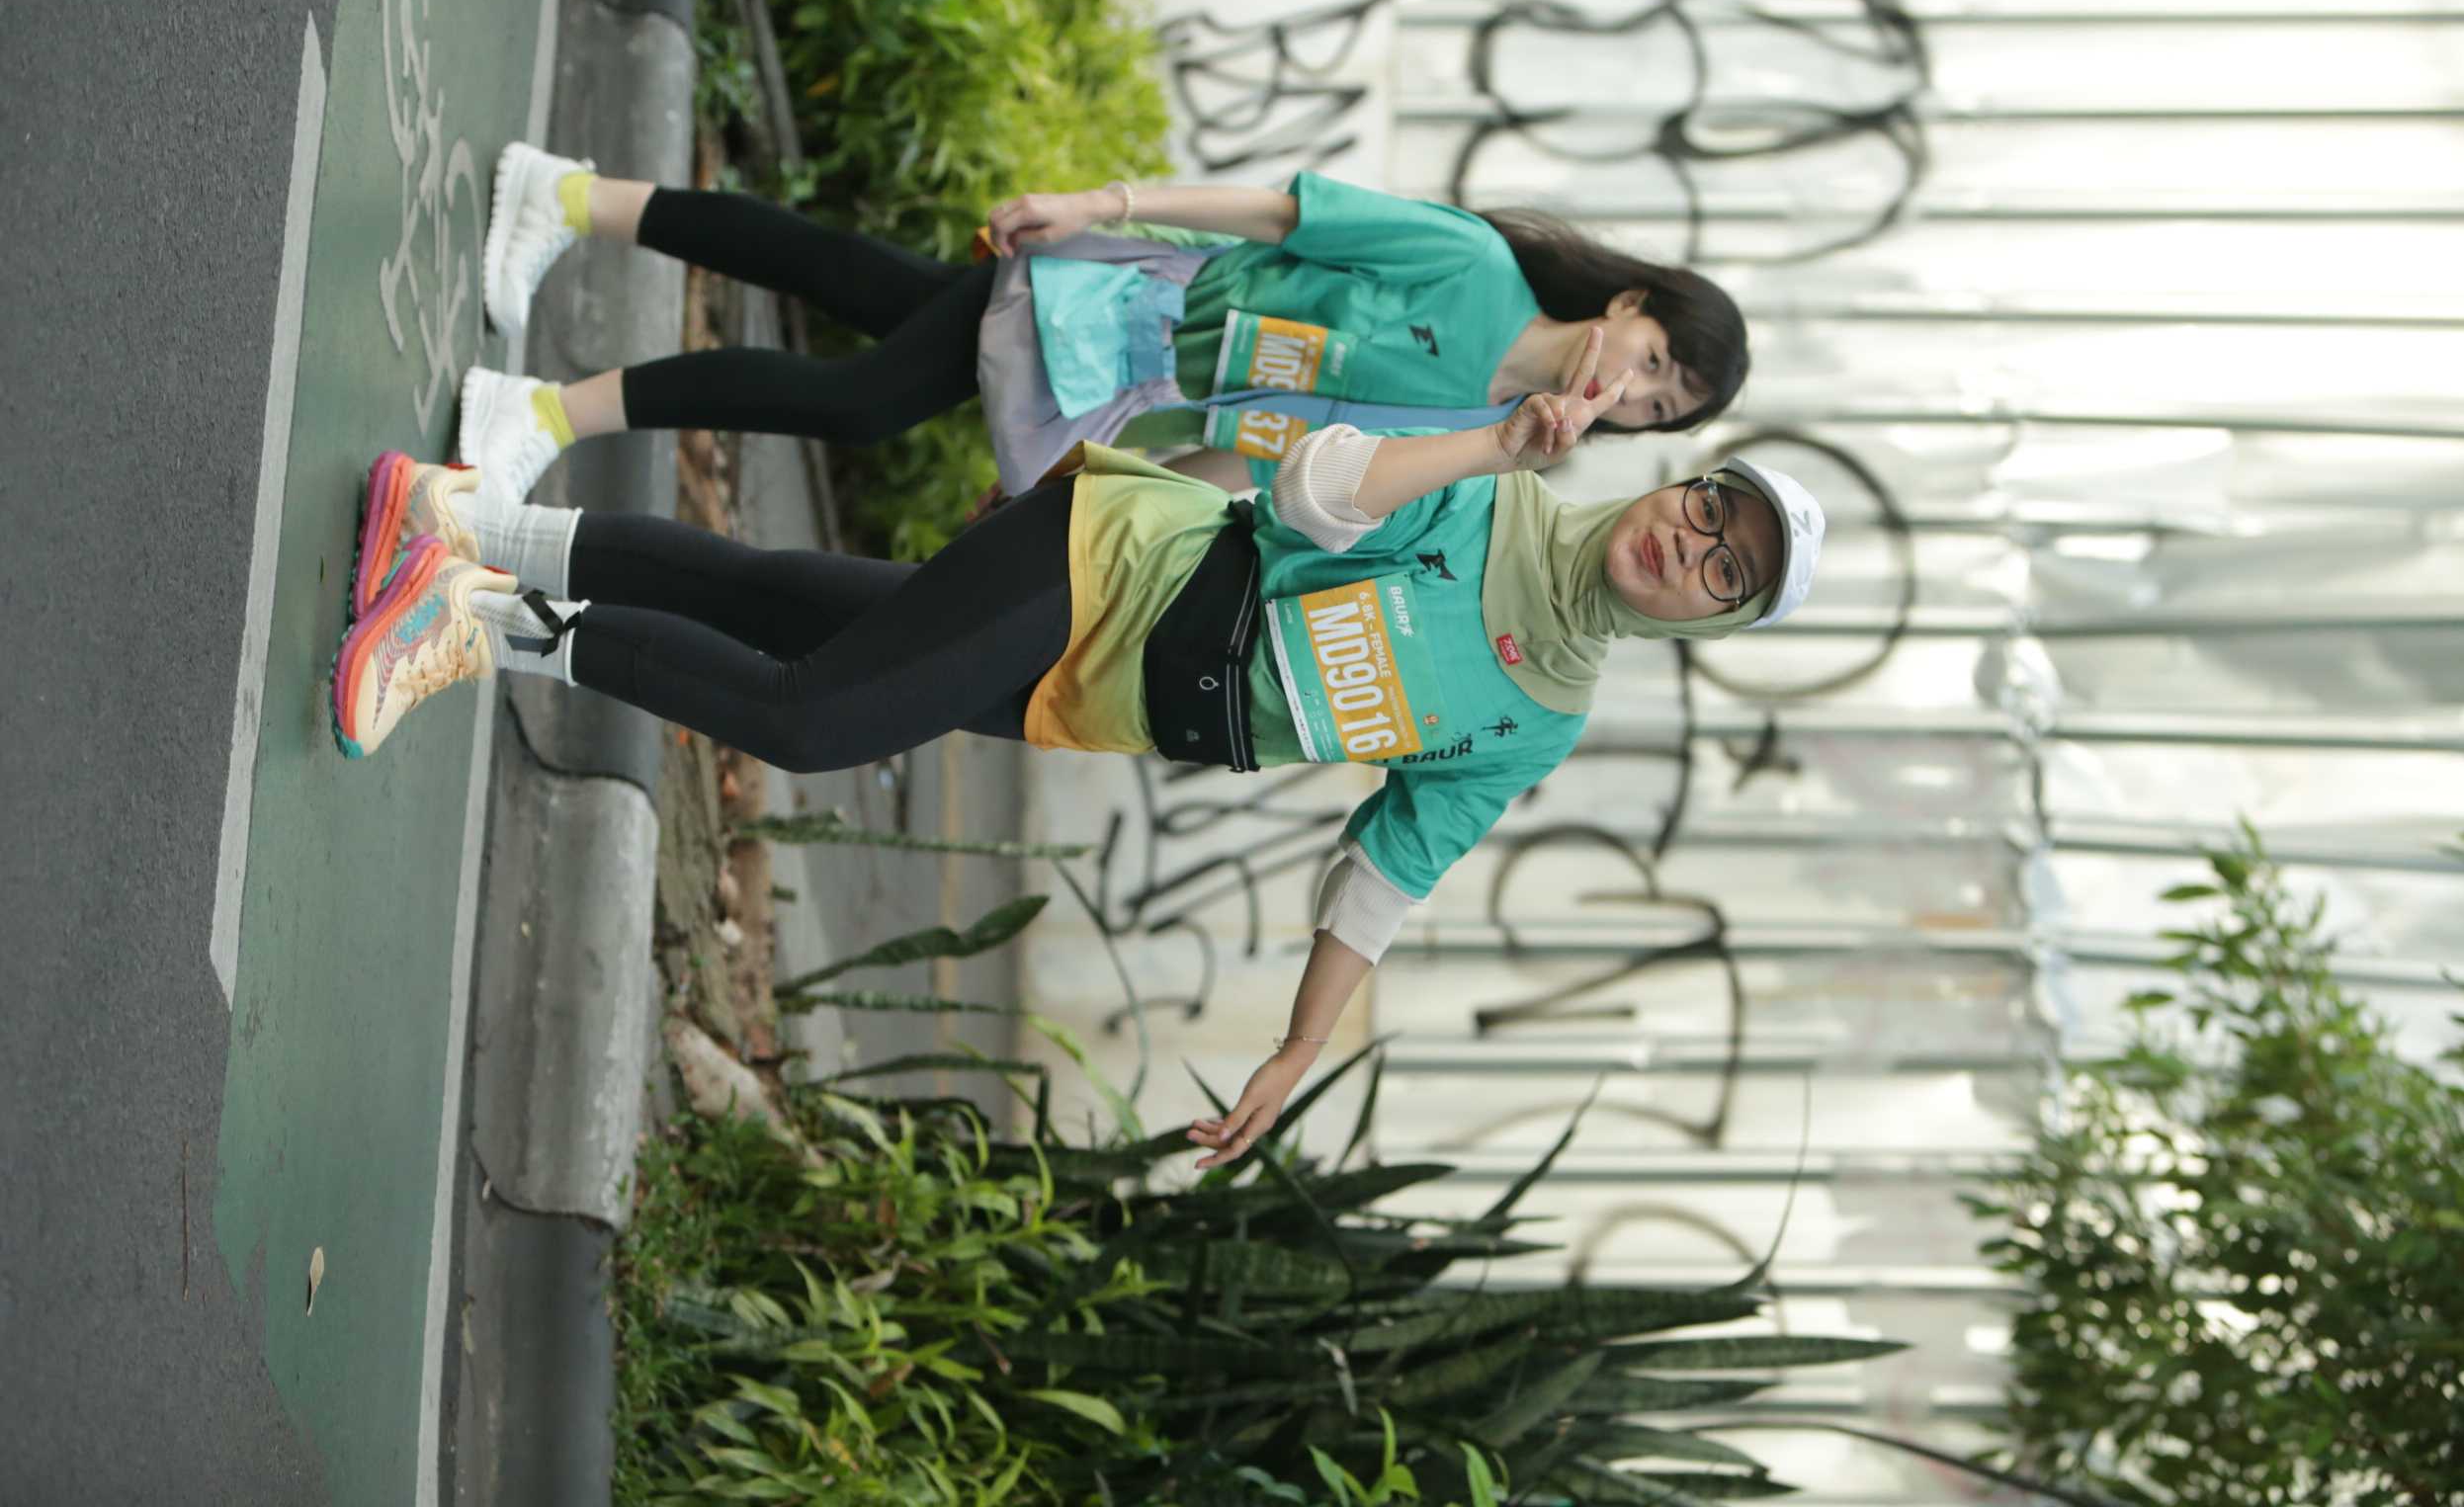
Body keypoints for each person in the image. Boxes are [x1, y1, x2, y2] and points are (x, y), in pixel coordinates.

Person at [328, 344, 1823, 1172]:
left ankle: (466, 523)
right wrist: (1493, 448)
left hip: (1101, 692)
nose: (1690, 545)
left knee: (797, 609)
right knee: (812, 718)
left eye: (1726, 571)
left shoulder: (1543, 714)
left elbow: (1390, 865)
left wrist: (1299, 1050)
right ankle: (470, 616)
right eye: (1708, 509)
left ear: (1716, 622)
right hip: (1117, 565)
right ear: (1679, 484)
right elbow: (1312, 491)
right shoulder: (1499, 497)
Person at [459, 143, 1752, 506]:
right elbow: (1282, 213)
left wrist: (1092, 490)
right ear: (1627, 301)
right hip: (1112, 298)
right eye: (1654, 361)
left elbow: (1258, 450)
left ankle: (570, 197)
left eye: (1659, 407)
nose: (1634, 392)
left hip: (1118, 386)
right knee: (863, 399)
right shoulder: (1472, 265)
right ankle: (546, 411)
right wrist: (1099, 203)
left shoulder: (1479, 429)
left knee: (859, 282)